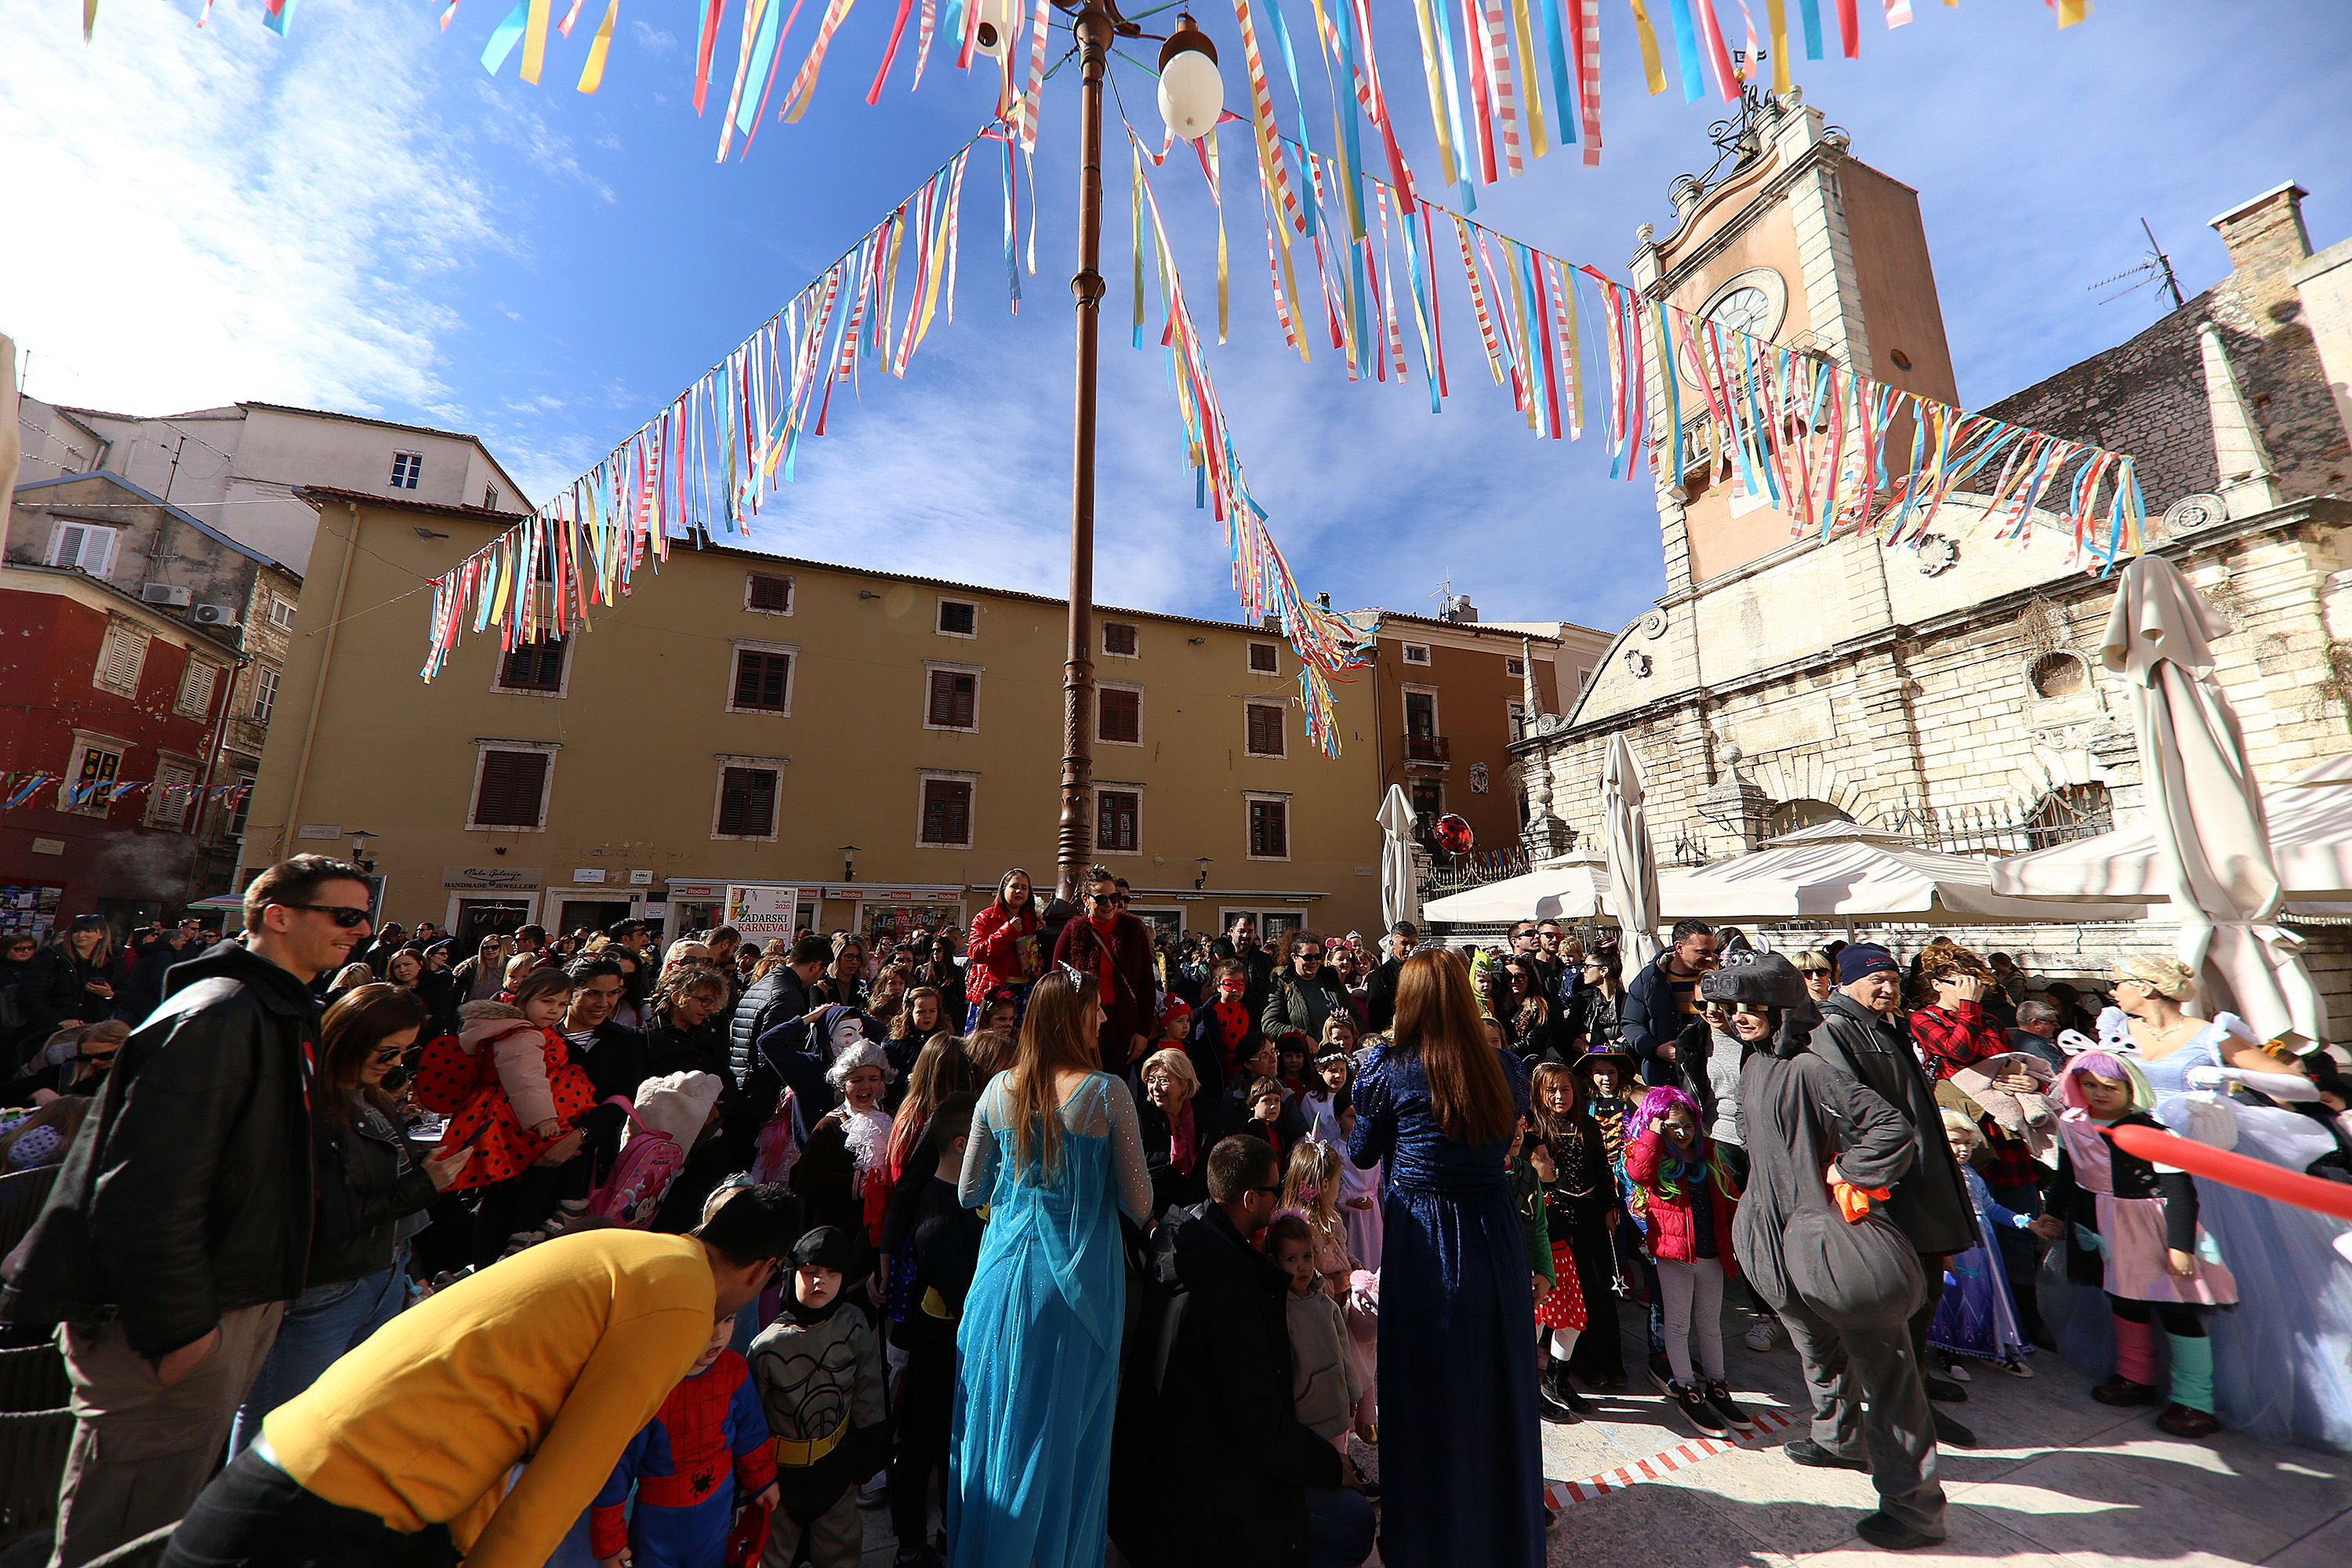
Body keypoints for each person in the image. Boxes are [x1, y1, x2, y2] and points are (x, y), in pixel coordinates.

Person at [0, 858, 371, 1568]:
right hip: (175, 1322)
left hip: (226, 1303)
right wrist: (178, 1330)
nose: (360, 931)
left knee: (163, 1527)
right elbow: (146, 1187)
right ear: (278, 916)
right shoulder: (220, 1014)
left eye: (364, 917)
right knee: (125, 1534)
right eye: (344, 915)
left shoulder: (272, 1011)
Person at [162, 1187, 801, 1568]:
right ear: (764, 1270)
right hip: (347, 1510)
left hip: (291, 1470)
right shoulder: (683, 1301)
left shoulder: (629, 1249)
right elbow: (570, 1473)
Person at [1730, 951, 1946, 1552]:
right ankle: (1838, 1436)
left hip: (1829, 1237)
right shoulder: (1754, 1065)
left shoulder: (1808, 1068)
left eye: (1754, 1007)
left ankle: (1915, 1506)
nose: (1742, 1017)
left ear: (1782, 1011)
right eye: (1733, 1008)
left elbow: (1889, 1126)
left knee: (1886, 1370)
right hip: (1777, 1239)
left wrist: (1850, 1174)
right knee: (1814, 1345)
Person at [2100, 955, 2352, 1450]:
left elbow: (2300, 1086)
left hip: (2206, 1168)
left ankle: (2202, 1396)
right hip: (2135, 1169)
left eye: (2118, 984)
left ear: (2148, 987)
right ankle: (2142, 1373)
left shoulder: (2211, 1035)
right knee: (2136, 1273)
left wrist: (2227, 1082)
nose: (2111, 994)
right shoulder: (2114, 1029)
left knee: (2208, 1275)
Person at [1347, 949, 1542, 1566]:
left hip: (1425, 1236)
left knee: (1426, 1388)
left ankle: (1433, 1537)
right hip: (1493, 1233)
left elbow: (1359, 1153)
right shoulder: (1506, 1066)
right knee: (1498, 1385)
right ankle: (1503, 1532)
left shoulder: (1390, 1068)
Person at [950, 970, 1150, 1568]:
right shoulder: (1108, 1092)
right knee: (1066, 1435)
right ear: (1074, 1018)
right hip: (1079, 1281)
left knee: (997, 1421)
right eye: (1097, 1011)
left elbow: (967, 1192)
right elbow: (1139, 1203)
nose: (1106, 1020)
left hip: (1001, 1274)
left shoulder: (995, 1091)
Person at [228, 985, 473, 1454]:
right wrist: (426, 1184)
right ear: (350, 1037)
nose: (395, 1064)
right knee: (278, 1427)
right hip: (330, 1285)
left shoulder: (367, 1095)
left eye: (403, 1053)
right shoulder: (311, 1106)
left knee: (342, 1419)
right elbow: (331, 1215)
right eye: (386, 1051)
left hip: (381, 1273)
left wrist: (421, 1170)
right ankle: (245, 1522)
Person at [1129, 1134, 1374, 1568]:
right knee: (1354, 1522)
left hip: (1161, 1481)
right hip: (1200, 1498)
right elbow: (1259, 1428)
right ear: (1248, 1198)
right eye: (1274, 1193)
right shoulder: (1229, 1293)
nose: (1279, 1203)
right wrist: (1330, 1465)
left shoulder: (1188, 1243)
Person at [1807, 942, 1981, 1446]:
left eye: (1893, 978)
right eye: (1875, 978)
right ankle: (1909, 1405)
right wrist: (1873, 1181)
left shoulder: (1883, 1024)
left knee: (1923, 1292)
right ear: (1848, 980)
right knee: (1903, 1300)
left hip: (1920, 1180)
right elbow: (1844, 1111)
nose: (1887, 987)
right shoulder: (1836, 1028)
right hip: (1892, 1189)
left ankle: (1919, 1382)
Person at [2036, 1051, 2238, 1437]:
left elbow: (2181, 1193)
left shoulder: (2154, 1133)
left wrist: (2180, 1246)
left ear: (2131, 1088)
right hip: (2101, 1223)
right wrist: (2056, 1214)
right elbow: (2067, 1173)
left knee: (2175, 1307)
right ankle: (2135, 1377)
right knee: (2123, 1299)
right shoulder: (2071, 1124)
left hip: (2149, 1227)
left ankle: (2195, 1401)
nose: (2098, 1093)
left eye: (2109, 1087)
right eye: (2089, 1085)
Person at [750, 1226, 889, 1568]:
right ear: (792, 1274)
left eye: (832, 1273)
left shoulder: (853, 1326)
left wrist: (870, 1447)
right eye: (810, 1272)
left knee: (840, 1552)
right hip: (779, 1481)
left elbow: (868, 1389)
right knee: (771, 1555)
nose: (820, 1282)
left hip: (835, 1472)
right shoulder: (767, 1346)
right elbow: (751, 1419)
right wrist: (752, 1476)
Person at [592, 1314, 779, 1568]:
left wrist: (763, 1478)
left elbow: (751, 1431)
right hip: (657, 1530)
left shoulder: (733, 1370)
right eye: (707, 1323)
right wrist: (610, 1542)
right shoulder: (650, 1389)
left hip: (716, 1519)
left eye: (729, 1319)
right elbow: (616, 1470)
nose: (718, 1335)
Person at [887, 1093, 985, 1568]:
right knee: (926, 1440)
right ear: (963, 1144)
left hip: (961, 1345)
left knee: (956, 1439)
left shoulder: (972, 1195)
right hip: (942, 1344)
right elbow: (963, 1292)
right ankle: (910, 1543)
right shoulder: (939, 1213)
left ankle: (951, 1528)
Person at [1624, 1085, 1750, 1437]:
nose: (1680, 1132)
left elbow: (1729, 1202)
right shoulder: (1656, 1158)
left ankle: (1717, 1386)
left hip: (1711, 1254)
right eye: (1671, 1125)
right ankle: (1686, 1390)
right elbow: (1637, 1173)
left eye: (1687, 1125)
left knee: (1711, 1324)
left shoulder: (1710, 1155)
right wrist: (1653, 1128)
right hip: (1674, 1256)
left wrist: (1737, 1240)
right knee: (1678, 1326)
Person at [1526, 1059, 1610, 1414]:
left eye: (1566, 1089)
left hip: (1575, 1235)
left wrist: (1609, 1206)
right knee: (1538, 1319)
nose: (1560, 1096)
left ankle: (1558, 1380)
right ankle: (1528, 1387)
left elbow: (1602, 1170)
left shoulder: (1587, 1126)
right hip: (1542, 1241)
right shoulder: (1530, 1132)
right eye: (1552, 1090)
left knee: (1573, 1316)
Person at [1927, 1110, 2036, 1382]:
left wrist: (2026, 1223)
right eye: (1954, 1141)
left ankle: (1990, 1347)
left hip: (1982, 1247)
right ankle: (1948, 1352)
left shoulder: (1973, 1175)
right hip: (1952, 1244)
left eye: (1967, 1143)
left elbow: (1989, 1207)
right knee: (1951, 1295)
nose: (1962, 1149)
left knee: (1983, 1295)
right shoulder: (1932, 1172)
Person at [1265, 1214, 1366, 1457]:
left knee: (1341, 1456)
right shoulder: (1280, 1311)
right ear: (1274, 1261)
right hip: (1305, 1416)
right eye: (1291, 1259)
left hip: (1336, 1406)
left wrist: (1352, 1391)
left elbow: (1344, 1352)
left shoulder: (1325, 1304)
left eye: (1307, 1257)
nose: (1302, 1266)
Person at [1052, 868, 1158, 1073]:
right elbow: (1056, 984)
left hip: (1123, 1027)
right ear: (1086, 899)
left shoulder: (1134, 929)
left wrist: (1143, 1032)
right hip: (1084, 1028)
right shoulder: (1073, 931)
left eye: (1114, 897)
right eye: (1101, 899)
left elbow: (1147, 983)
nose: (1109, 905)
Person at [558, 956, 652, 1184]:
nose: (604, 1003)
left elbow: (622, 1098)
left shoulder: (625, 1040)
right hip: (527, 1153)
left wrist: (579, 1136)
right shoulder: (539, 1036)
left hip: (591, 1161)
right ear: (570, 993)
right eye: (593, 994)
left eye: (613, 993)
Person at [1622, 919, 1718, 1087]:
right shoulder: (1650, 979)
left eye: (1712, 951)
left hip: (1712, 1070)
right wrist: (1656, 1049)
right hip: (1665, 1074)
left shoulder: (1720, 977)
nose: (1710, 957)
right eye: (1702, 952)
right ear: (1679, 948)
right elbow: (1631, 1023)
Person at [1136, 1046, 1218, 1218]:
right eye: (1151, 1080)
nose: (1155, 1088)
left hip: (1201, 1207)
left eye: (1164, 1080)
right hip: (1156, 1212)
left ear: (1184, 1084)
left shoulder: (1206, 1111)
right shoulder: (1141, 1116)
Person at [16, 915, 117, 1046]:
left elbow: (124, 993)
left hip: (92, 1030)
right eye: (76, 931)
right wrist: (59, 1020)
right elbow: (30, 995)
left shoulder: (111, 961)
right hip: (52, 1030)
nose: (81, 935)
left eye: (89, 931)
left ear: (102, 934)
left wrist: (109, 995)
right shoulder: (52, 957)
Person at [963, 870, 1044, 1033]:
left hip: (1025, 993)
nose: (1019, 891)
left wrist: (1040, 960)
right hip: (994, 992)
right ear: (1003, 889)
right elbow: (976, 953)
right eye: (1014, 886)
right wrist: (1006, 932)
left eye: (1024, 887)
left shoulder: (1032, 921)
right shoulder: (985, 918)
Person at [1261, 928, 1345, 1059]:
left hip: (1335, 1058)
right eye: (1307, 957)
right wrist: (1302, 1035)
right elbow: (1269, 1025)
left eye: (1317, 957)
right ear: (1294, 957)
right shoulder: (1282, 982)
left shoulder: (1331, 979)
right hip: (1301, 1059)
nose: (1314, 961)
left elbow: (1354, 1014)